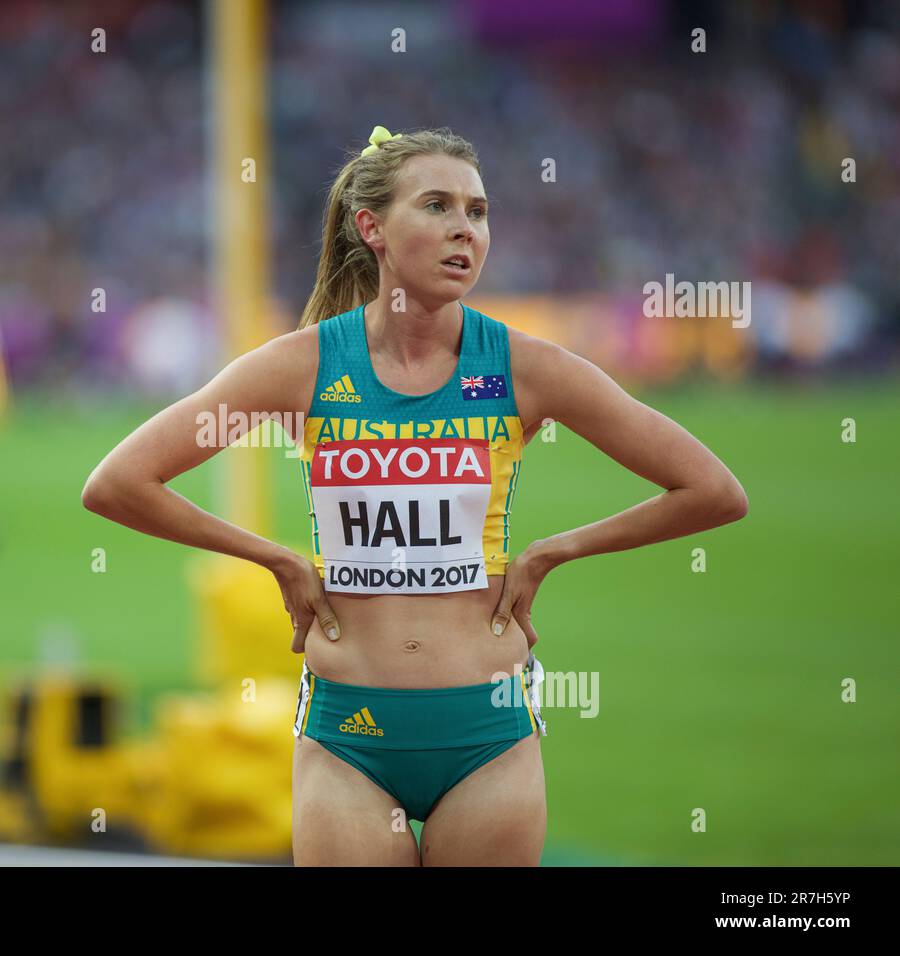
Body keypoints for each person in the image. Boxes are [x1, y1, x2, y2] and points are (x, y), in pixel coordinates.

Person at [81, 125, 748, 866]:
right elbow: (117, 483)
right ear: (373, 229)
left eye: (479, 211)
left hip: (487, 736)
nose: (466, 229)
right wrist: (275, 558)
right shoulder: (300, 367)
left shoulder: (528, 369)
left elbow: (713, 490)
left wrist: (555, 551)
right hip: (348, 741)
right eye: (437, 206)